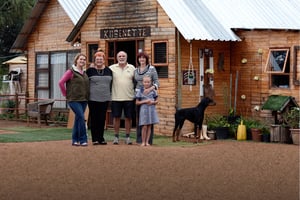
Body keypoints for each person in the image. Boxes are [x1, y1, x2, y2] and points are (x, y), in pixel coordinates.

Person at [59, 53, 89, 146]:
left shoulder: (84, 72)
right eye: (81, 59)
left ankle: (75, 140)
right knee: (81, 118)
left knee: (78, 119)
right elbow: (61, 83)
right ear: (76, 60)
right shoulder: (71, 72)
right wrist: (65, 94)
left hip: (84, 99)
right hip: (73, 99)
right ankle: (83, 139)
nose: (82, 61)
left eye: (84, 60)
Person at [86, 51, 112, 145]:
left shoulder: (109, 71)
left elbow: (111, 84)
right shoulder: (89, 71)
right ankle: (95, 139)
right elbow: (85, 83)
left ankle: (101, 138)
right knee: (94, 118)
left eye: (101, 59)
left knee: (102, 119)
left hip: (105, 98)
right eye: (97, 59)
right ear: (95, 61)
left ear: (104, 60)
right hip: (93, 98)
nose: (99, 61)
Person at [109, 51, 135, 145]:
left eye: (123, 56)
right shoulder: (111, 68)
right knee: (116, 118)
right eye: (119, 56)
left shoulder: (132, 68)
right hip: (116, 97)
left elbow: (136, 81)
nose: (121, 57)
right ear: (117, 58)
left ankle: (127, 137)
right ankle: (116, 137)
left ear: (126, 57)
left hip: (129, 97)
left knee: (129, 118)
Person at [134, 52, 159, 144]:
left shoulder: (151, 69)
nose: (142, 60)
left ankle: (148, 141)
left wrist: (150, 89)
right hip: (139, 95)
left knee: (149, 119)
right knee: (140, 118)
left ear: (146, 59)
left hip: (149, 95)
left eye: (143, 58)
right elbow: (134, 82)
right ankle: (140, 140)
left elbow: (157, 81)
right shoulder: (136, 70)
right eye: (140, 58)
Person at [135, 76, 159, 146]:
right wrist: (145, 101)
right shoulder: (140, 91)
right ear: (143, 82)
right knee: (144, 125)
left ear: (151, 82)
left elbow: (157, 101)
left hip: (151, 109)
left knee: (149, 125)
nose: (147, 83)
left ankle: (147, 142)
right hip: (144, 109)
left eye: (148, 82)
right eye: (145, 82)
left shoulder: (153, 91)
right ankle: (143, 141)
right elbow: (137, 102)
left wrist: (152, 102)